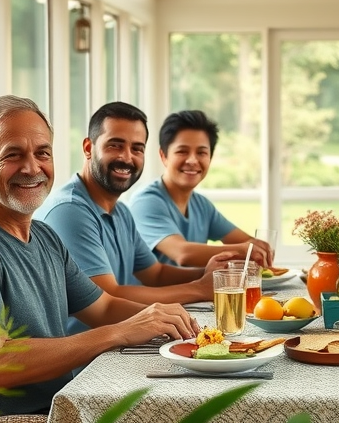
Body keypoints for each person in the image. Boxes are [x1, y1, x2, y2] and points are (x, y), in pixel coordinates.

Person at [0, 96, 201, 423]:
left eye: (43, 153)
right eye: (13, 154)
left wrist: (167, 318)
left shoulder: (44, 236)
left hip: (57, 417)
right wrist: (119, 333)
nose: (32, 168)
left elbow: (103, 306)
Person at [34, 102, 239, 333]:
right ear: (88, 148)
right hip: (86, 360)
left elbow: (155, 273)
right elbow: (108, 295)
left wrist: (212, 275)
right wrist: (200, 288)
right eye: (115, 145)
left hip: (120, 342)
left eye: (137, 148)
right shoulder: (69, 211)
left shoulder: (121, 212)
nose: (127, 157)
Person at [130, 109, 273, 268]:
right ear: (163, 155)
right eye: (182, 151)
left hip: (196, 292)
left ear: (210, 158)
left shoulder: (201, 205)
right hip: (154, 293)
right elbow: (183, 254)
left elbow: (245, 242)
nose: (192, 160)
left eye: (201, 153)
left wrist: (258, 247)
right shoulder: (146, 202)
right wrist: (243, 251)